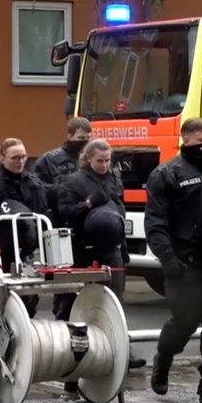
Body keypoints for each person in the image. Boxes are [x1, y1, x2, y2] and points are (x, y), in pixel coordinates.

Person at [145, 118, 202, 403]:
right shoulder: (167, 174)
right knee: (184, 322)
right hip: (184, 262)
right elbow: (155, 223)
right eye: (200, 142)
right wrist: (168, 259)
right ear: (185, 140)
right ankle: (163, 360)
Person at [55, 139, 146, 372]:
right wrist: (87, 204)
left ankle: (121, 349)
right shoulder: (72, 182)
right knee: (74, 300)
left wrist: (123, 247)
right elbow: (65, 214)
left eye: (108, 160)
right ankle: (66, 349)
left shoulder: (114, 178)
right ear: (88, 159)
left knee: (115, 299)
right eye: (100, 161)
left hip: (111, 248)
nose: (104, 165)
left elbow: (119, 210)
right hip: (82, 248)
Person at [0, 138, 49, 318]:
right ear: (2, 158)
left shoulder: (33, 183)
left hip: (24, 249)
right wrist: (3, 219)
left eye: (23, 157)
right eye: (15, 158)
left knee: (27, 297)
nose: (20, 161)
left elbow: (42, 213)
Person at [34, 117, 93, 320]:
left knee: (82, 272)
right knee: (63, 271)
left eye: (88, 137)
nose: (85, 141)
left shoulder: (91, 159)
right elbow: (38, 188)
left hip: (85, 222)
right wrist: (63, 190)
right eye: (80, 138)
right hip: (60, 222)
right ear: (69, 136)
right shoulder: (49, 160)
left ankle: (73, 313)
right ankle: (61, 314)